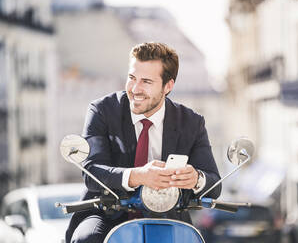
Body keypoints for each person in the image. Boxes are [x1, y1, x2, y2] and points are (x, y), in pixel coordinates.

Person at [65, 42, 222, 243]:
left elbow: (214, 184)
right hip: (106, 212)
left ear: (168, 86)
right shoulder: (102, 110)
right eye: (132, 78)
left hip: (168, 213)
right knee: (86, 239)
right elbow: (91, 172)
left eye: (146, 81)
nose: (135, 88)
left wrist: (196, 179)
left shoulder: (191, 122)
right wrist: (138, 176)